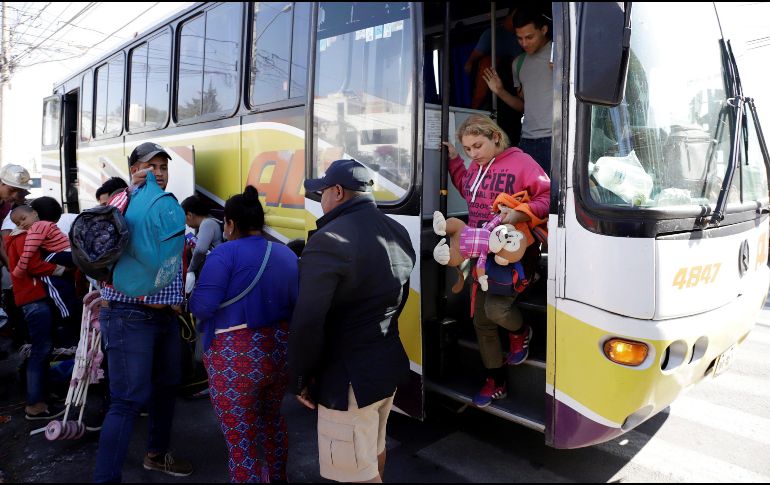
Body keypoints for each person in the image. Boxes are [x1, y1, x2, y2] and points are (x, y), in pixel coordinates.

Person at [289, 159, 416, 483]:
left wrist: (302, 376)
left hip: (347, 379)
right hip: (385, 365)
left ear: (338, 191)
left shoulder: (329, 240)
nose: (321, 202)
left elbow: (307, 321)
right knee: (372, 452)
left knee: (353, 473)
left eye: (322, 194)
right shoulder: (397, 230)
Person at [92, 142, 192, 482]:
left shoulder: (165, 205)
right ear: (134, 167)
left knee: (166, 389)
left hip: (165, 316)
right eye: (151, 165)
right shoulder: (122, 201)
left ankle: (157, 455)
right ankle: (106, 479)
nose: (159, 173)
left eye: (164, 166)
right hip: (129, 316)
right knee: (126, 401)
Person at [189, 186, 298, 483]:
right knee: (272, 422)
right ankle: (277, 478)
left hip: (234, 359)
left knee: (241, 439)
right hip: (278, 352)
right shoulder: (286, 253)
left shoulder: (224, 254)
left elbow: (203, 306)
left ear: (231, 224)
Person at [441, 114, 549, 408]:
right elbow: (466, 187)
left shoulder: (522, 162)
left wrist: (521, 212)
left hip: (515, 251)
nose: (473, 154)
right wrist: (454, 161)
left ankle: (521, 332)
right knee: (480, 322)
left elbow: (548, 197)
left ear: (496, 138)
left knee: (496, 308)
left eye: (478, 146)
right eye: (468, 149)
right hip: (482, 252)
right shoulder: (475, 168)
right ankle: (495, 381)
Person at [4, 211, 67, 420]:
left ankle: (42, 396)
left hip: (30, 299)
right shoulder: (22, 238)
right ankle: (35, 405)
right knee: (41, 350)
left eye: (23, 220)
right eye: (19, 222)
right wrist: (62, 270)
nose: (24, 224)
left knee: (44, 349)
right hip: (33, 299)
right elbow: (32, 265)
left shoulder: (17, 238)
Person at [482, 8, 554, 174]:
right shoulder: (518, 63)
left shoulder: (561, 54)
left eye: (529, 37)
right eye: (519, 38)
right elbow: (524, 107)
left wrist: (563, 74)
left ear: (543, 30)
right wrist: (499, 91)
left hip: (556, 140)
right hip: (527, 141)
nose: (524, 43)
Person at [180, 195, 223, 294]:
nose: (186, 224)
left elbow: (200, 250)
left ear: (189, 215)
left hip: (214, 275)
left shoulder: (207, 223)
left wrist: (190, 269)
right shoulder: (209, 223)